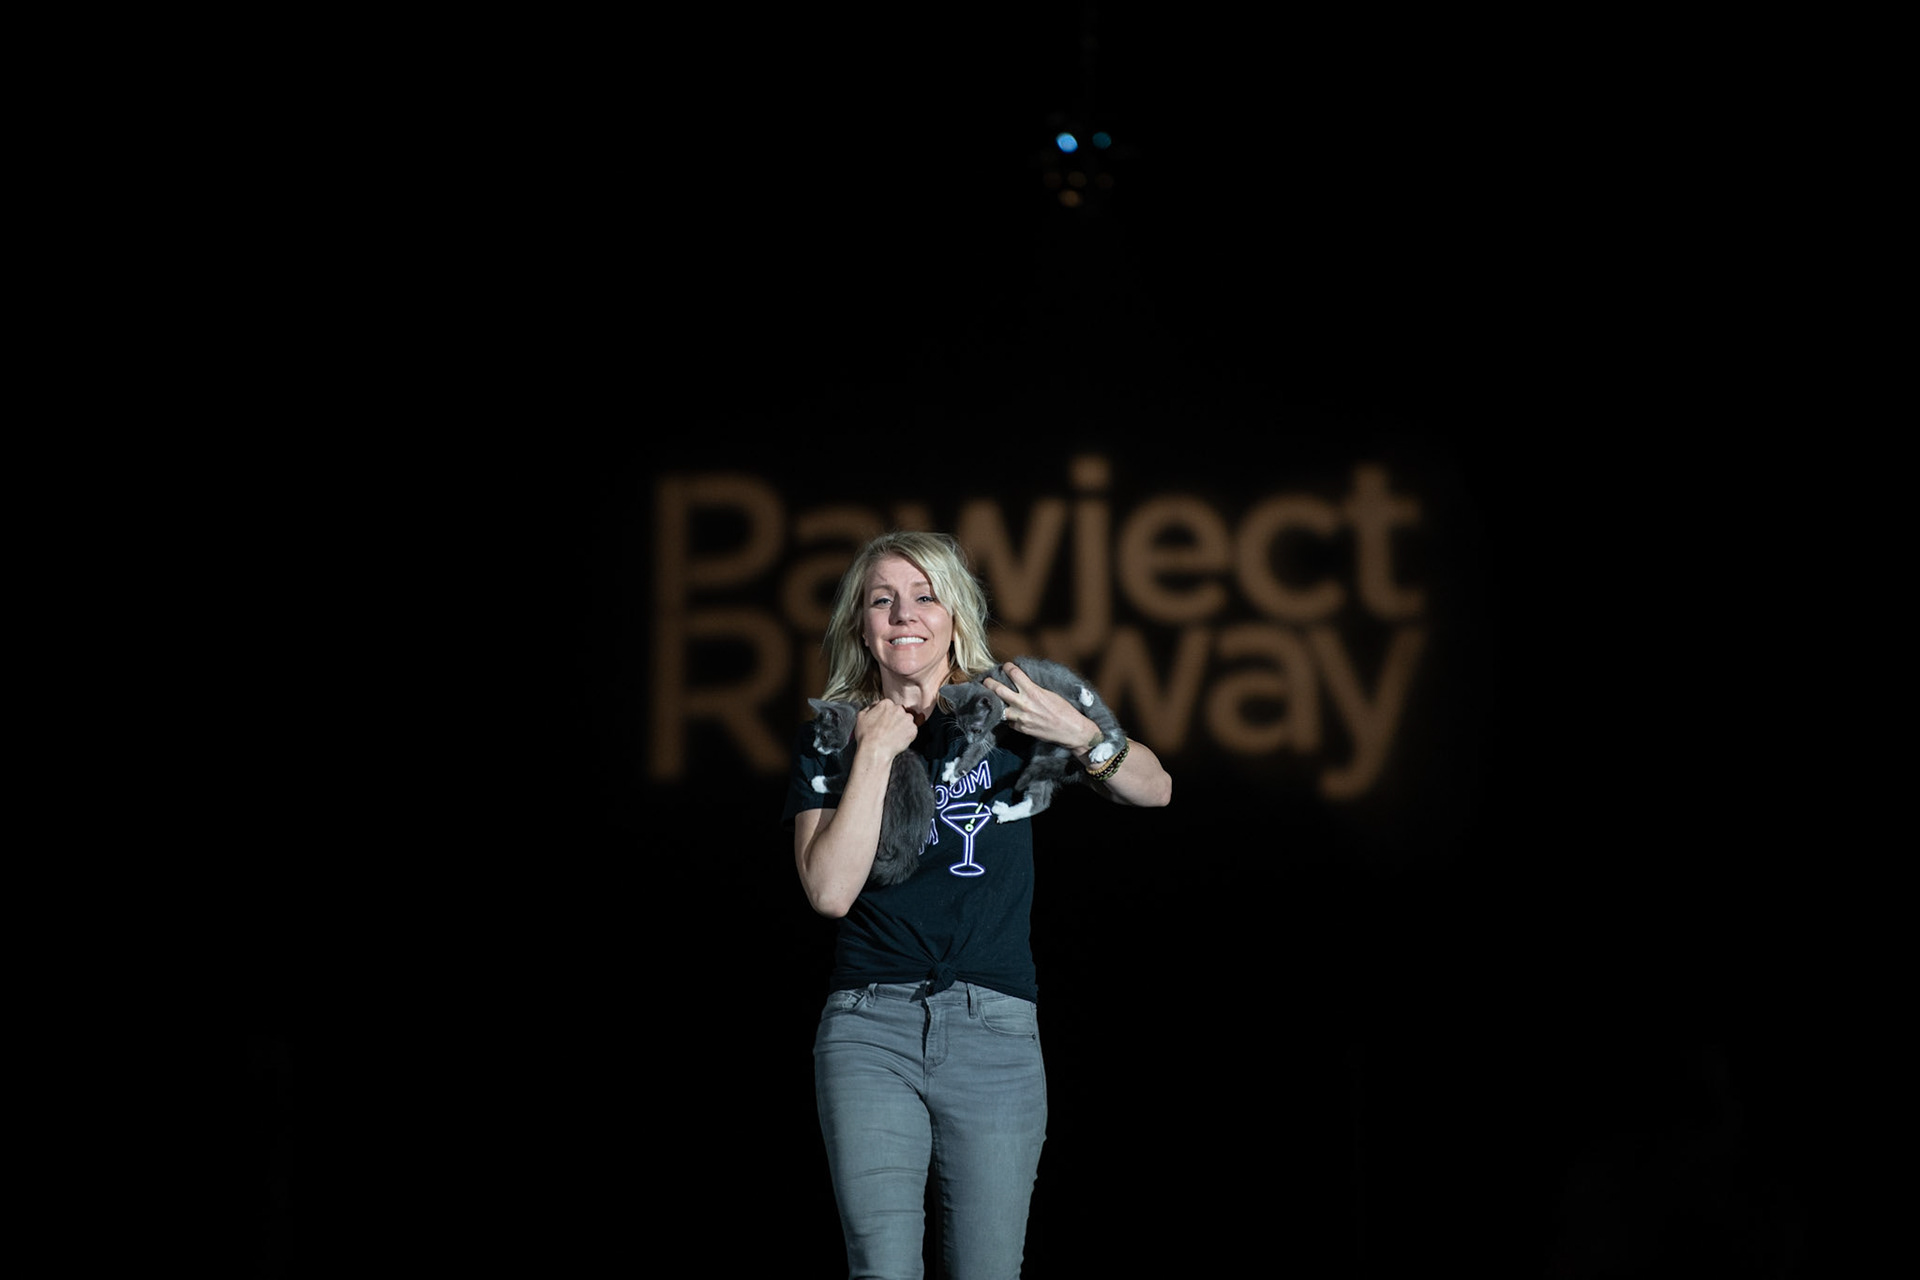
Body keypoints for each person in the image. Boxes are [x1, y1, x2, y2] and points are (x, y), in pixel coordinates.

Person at [783, 530, 1172, 1279]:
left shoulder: (1009, 710)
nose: (905, 615)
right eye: (883, 600)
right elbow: (829, 892)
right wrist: (874, 751)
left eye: (925, 597)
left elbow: (1155, 789)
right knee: (881, 1270)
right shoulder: (831, 736)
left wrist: (1082, 735)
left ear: (955, 614)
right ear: (860, 623)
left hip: (994, 1031)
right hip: (869, 1030)